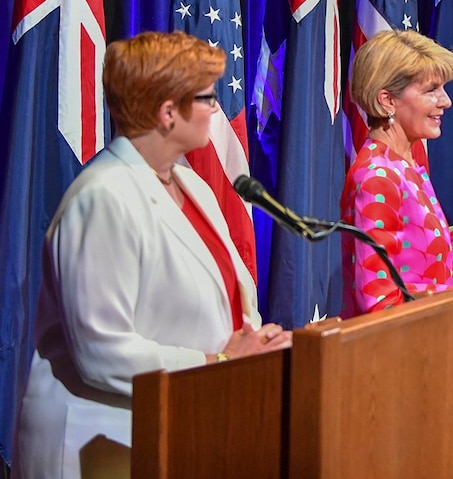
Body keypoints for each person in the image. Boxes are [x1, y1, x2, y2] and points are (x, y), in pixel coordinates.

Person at [12, 31, 292, 479]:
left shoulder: (191, 184)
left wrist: (254, 342)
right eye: (205, 97)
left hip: (180, 422)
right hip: (103, 441)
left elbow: (231, 294)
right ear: (167, 113)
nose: (216, 108)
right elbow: (102, 352)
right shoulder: (102, 198)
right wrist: (219, 364)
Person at [342, 30, 453, 316]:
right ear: (388, 100)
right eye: (431, 90)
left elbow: (412, 267)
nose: (446, 101)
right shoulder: (377, 176)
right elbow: (378, 301)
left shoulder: (406, 165)